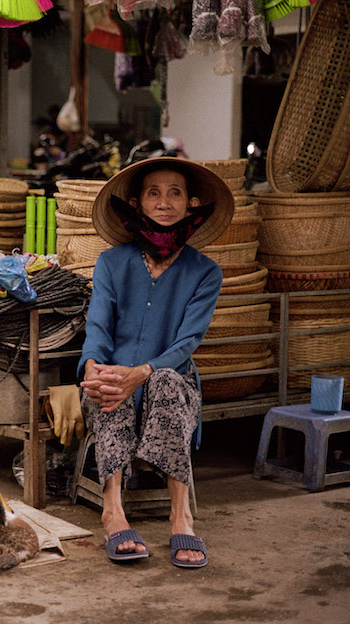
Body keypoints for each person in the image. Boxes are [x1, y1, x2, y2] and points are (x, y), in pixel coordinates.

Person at [78, 157, 233, 569]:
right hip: (112, 382)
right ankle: (113, 511)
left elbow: (188, 343)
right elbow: (98, 325)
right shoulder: (112, 262)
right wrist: (93, 366)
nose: (165, 202)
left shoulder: (205, 272)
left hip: (172, 385)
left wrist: (144, 372)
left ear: (191, 203)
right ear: (138, 203)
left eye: (175, 193)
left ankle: (181, 514)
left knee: (164, 379)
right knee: (112, 386)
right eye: (154, 193)